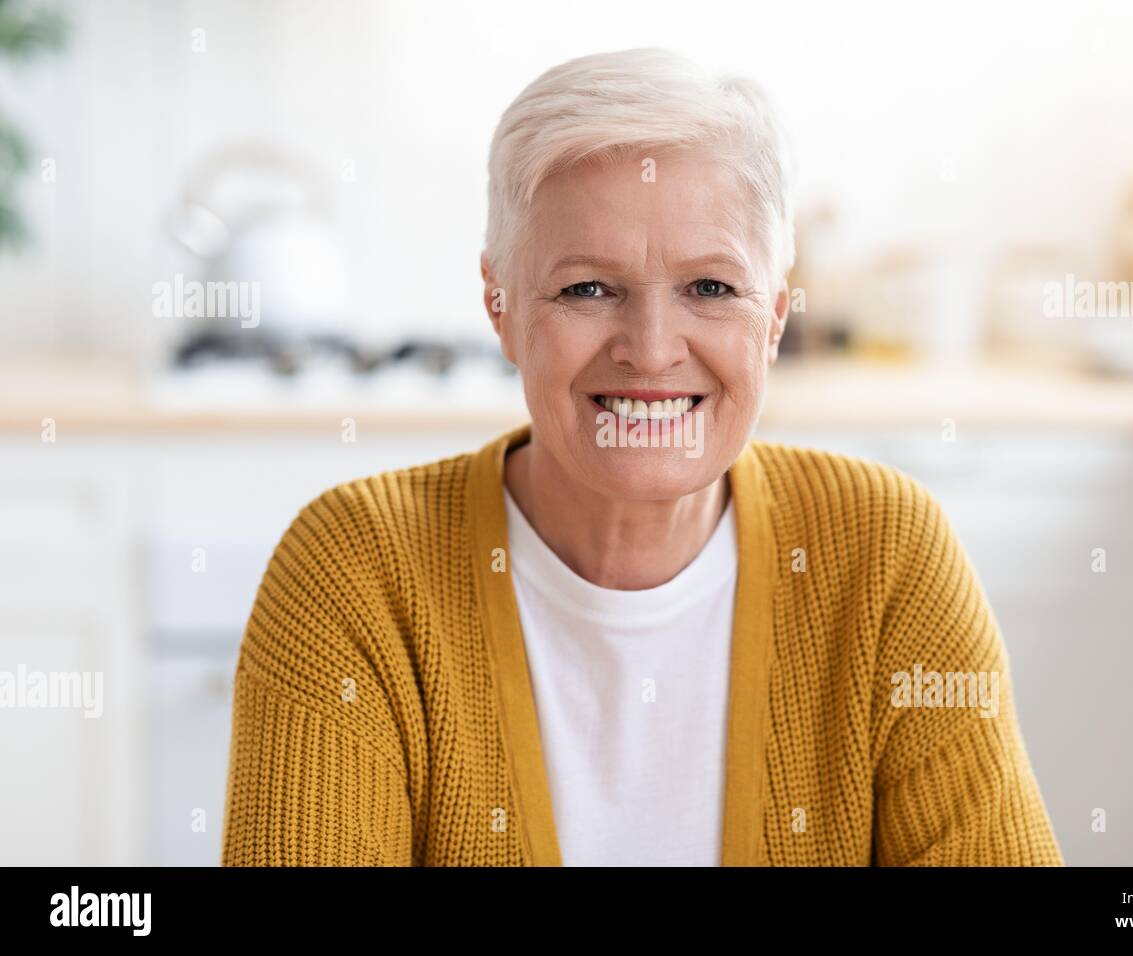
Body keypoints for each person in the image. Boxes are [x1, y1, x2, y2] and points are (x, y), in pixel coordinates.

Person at [220, 47, 1063, 866]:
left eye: (711, 288)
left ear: (773, 315)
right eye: (589, 288)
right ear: (501, 308)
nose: (653, 351)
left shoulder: (885, 553)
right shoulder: (353, 569)